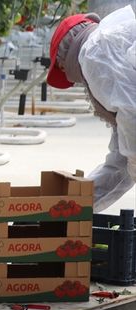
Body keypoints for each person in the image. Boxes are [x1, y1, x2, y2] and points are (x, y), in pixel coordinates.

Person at [47, 5, 136, 211]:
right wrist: (76, 209)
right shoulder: (109, 49)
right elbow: (120, 164)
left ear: (63, 62)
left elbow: (131, 112)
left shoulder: (95, 50)